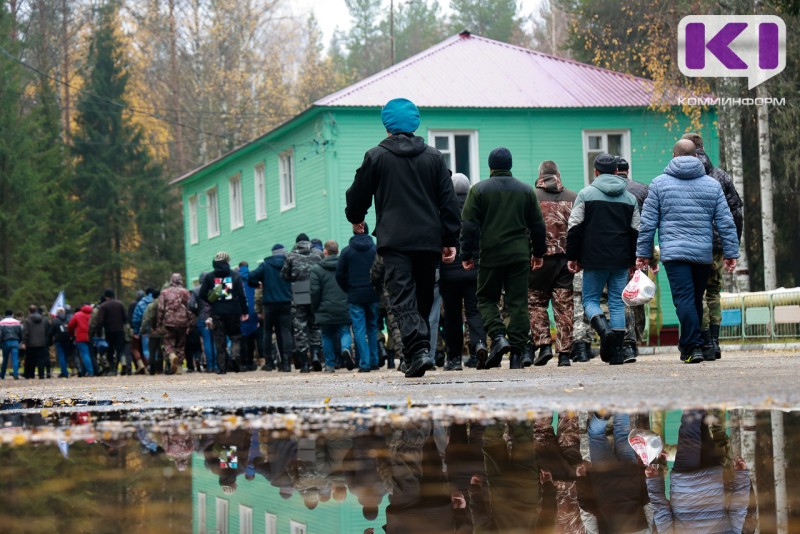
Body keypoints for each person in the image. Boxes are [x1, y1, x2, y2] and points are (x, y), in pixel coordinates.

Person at [345, 97, 460, 378]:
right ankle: (414, 355)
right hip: (428, 240)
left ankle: (418, 350)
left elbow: (357, 193)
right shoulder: (434, 157)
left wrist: (356, 218)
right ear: (414, 124)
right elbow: (449, 201)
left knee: (402, 297)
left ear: (387, 126)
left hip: (394, 240)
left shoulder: (376, 156)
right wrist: (449, 239)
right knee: (421, 296)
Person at [636, 140, 739, 364]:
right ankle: (692, 345)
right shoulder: (712, 186)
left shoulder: (659, 184)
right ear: (696, 156)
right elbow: (726, 221)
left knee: (684, 300)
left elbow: (647, 223)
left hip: (674, 254)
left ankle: (693, 346)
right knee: (694, 300)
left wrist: (644, 253)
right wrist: (731, 253)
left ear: (674, 155)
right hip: (703, 254)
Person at [460, 147, 546, 370]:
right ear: (510, 165)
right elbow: (538, 225)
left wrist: (466, 254)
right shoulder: (526, 191)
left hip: (491, 254)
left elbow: (468, 226)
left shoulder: (478, 190)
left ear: (490, 167)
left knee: (486, 298)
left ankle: (498, 337)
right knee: (518, 302)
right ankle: (517, 355)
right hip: (519, 255)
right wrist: (538, 253)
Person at [567, 153, 639, 366]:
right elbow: (637, 231)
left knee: (590, 300)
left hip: (593, 258)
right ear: (617, 172)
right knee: (617, 302)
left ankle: (604, 330)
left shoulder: (585, 194)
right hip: (620, 259)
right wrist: (633, 260)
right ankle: (616, 354)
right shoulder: (630, 198)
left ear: (596, 172)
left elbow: (575, 226)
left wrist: (573, 256)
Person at [681, 133, 744, 360]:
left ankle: (704, 341)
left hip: (692, 243)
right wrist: (732, 246)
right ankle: (715, 342)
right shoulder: (721, 176)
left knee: (695, 294)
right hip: (717, 246)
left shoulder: (680, 175)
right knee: (714, 292)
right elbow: (735, 213)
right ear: (703, 147)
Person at [646, 410, 751, 533]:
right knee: (695, 428)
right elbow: (661, 513)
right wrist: (653, 481)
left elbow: (738, 509)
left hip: (711, 478)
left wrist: (741, 476)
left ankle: (697, 398)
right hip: (685, 482)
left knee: (697, 428)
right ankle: (697, 399)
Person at [528, 160, 577, 368]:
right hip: (565, 261)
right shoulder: (573, 198)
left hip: (538, 260)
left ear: (540, 174)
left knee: (535, 303)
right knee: (564, 308)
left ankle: (544, 345)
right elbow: (578, 229)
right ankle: (564, 355)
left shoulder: (531, 197)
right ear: (558, 174)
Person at [438, 173, 487, 371]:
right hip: (474, 268)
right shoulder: (478, 207)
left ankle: (455, 359)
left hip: (449, 270)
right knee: (475, 312)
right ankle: (479, 348)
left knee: (452, 316)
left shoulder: (443, 208)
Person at [617, 156, 650, 362]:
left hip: (617, 251)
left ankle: (627, 342)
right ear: (627, 171)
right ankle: (637, 338)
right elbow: (648, 223)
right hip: (640, 252)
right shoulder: (642, 190)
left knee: (622, 296)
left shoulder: (603, 190)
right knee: (638, 297)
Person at [336, 223, 379, 373]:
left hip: (355, 295)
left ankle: (365, 363)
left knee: (359, 330)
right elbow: (381, 270)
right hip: (373, 294)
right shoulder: (375, 250)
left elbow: (339, 275)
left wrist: (348, 289)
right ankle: (375, 361)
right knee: (373, 327)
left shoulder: (347, 252)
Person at [199, 251, 249, 374]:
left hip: (217, 312)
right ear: (227, 262)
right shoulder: (235, 276)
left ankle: (222, 369)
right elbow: (242, 295)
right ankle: (234, 355)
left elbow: (202, 294)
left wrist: (212, 301)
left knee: (219, 340)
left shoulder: (210, 277)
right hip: (233, 311)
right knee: (235, 336)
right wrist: (244, 311)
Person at [281, 233, 324, 372]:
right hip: (315, 294)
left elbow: (284, 275)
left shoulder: (290, 256)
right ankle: (316, 354)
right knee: (315, 326)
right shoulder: (318, 254)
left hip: (298, 295)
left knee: (300, 329)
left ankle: (305, 363)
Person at [249, 244, 295, 373]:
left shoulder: (265, 265)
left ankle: (269, 363)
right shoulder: (288, 264)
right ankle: (286, 363)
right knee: (285, 332)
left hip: (269, 304)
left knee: (268, 332)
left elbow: (251, 277)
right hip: (286, 302)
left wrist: (257, 284)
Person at [311, 240, 353, 373]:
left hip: (325, 308)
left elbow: (315, 291)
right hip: (343, 305)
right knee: (345, 331)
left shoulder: (317, 269)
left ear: (325, 251)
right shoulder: (345, 266)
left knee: (327, 335)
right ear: (338, 251)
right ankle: (345, 348)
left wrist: (315, 308)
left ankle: (329, 365)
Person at [158, 273, 194, 375]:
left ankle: (172, 355)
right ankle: (179, 368)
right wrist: (191, 321)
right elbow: (189, 308)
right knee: (181, 344)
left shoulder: (164, 292)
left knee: (168, 343)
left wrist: (159, 322)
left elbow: (160, 309)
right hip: (183, 322)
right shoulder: (186, 292)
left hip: (169, 322)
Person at [94, 289, 128, 375]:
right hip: (120, 330)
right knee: (120, 349)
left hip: (109, 331)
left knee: (110, 350)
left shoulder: (103, 306)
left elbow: (99, 321)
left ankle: (113, 369)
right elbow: (125, 317)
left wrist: (98, 333)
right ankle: (124, 363)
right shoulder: (120, 304)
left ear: (106, 296)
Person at [237, 261, 260, 371]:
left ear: (239, 267)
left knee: (242, 337)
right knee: (252, 337)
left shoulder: (235, 277)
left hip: (240, 310)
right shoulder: (252, 277)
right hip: (252, 310)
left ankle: (243, 362)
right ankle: (251, 362)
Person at [67, 304, 95, 376]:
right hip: (91, 336)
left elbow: (70, 325)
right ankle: (86, 371)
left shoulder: (77, 315)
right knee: (90, 354)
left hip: (80, 337)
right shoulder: (92, 315)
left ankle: (90, 371)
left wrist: (72, 334)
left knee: (84, 354)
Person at [22, 305, 48, 379]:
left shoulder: (27, 320)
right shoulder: (42, 319)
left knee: (30, 359)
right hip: (41, 342)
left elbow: (25, 332)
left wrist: (24, 342)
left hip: (31, 343)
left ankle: (29, 374)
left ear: (29, 311)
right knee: (40, 359)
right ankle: (41, 374)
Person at [48, 307, 71, 378]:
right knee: (66, 356)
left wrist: (50, 340)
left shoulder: (55, 320)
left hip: (59, 340)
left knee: (61, 356)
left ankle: (64, 372)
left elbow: (50, 332)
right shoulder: (68, 319)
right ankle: (66, 370)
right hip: (68, 340)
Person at [0, 309, 22, 379]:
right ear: (12, 314)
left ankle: (2, 374)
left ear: (5, 314)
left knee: (5, 359)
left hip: (5, 342)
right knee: (15, 358)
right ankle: (15, 374)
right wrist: (19, 341)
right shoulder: (17, 322)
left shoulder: (2, 322)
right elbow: (20, 333)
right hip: (15, 341)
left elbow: (0, 334)